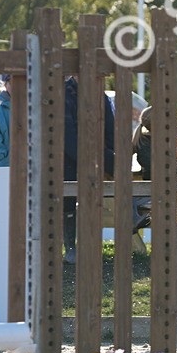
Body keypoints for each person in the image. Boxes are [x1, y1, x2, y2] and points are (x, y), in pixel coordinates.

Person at [64, 76, 116, 265]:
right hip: (68, 156)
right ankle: (70, 247)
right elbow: (67, 133)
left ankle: (90, 245)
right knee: (68, 201)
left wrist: (109, 157)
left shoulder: (100, 95)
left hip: (97, 154)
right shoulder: (64, 93)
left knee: (94, 199)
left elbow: (110, 129)